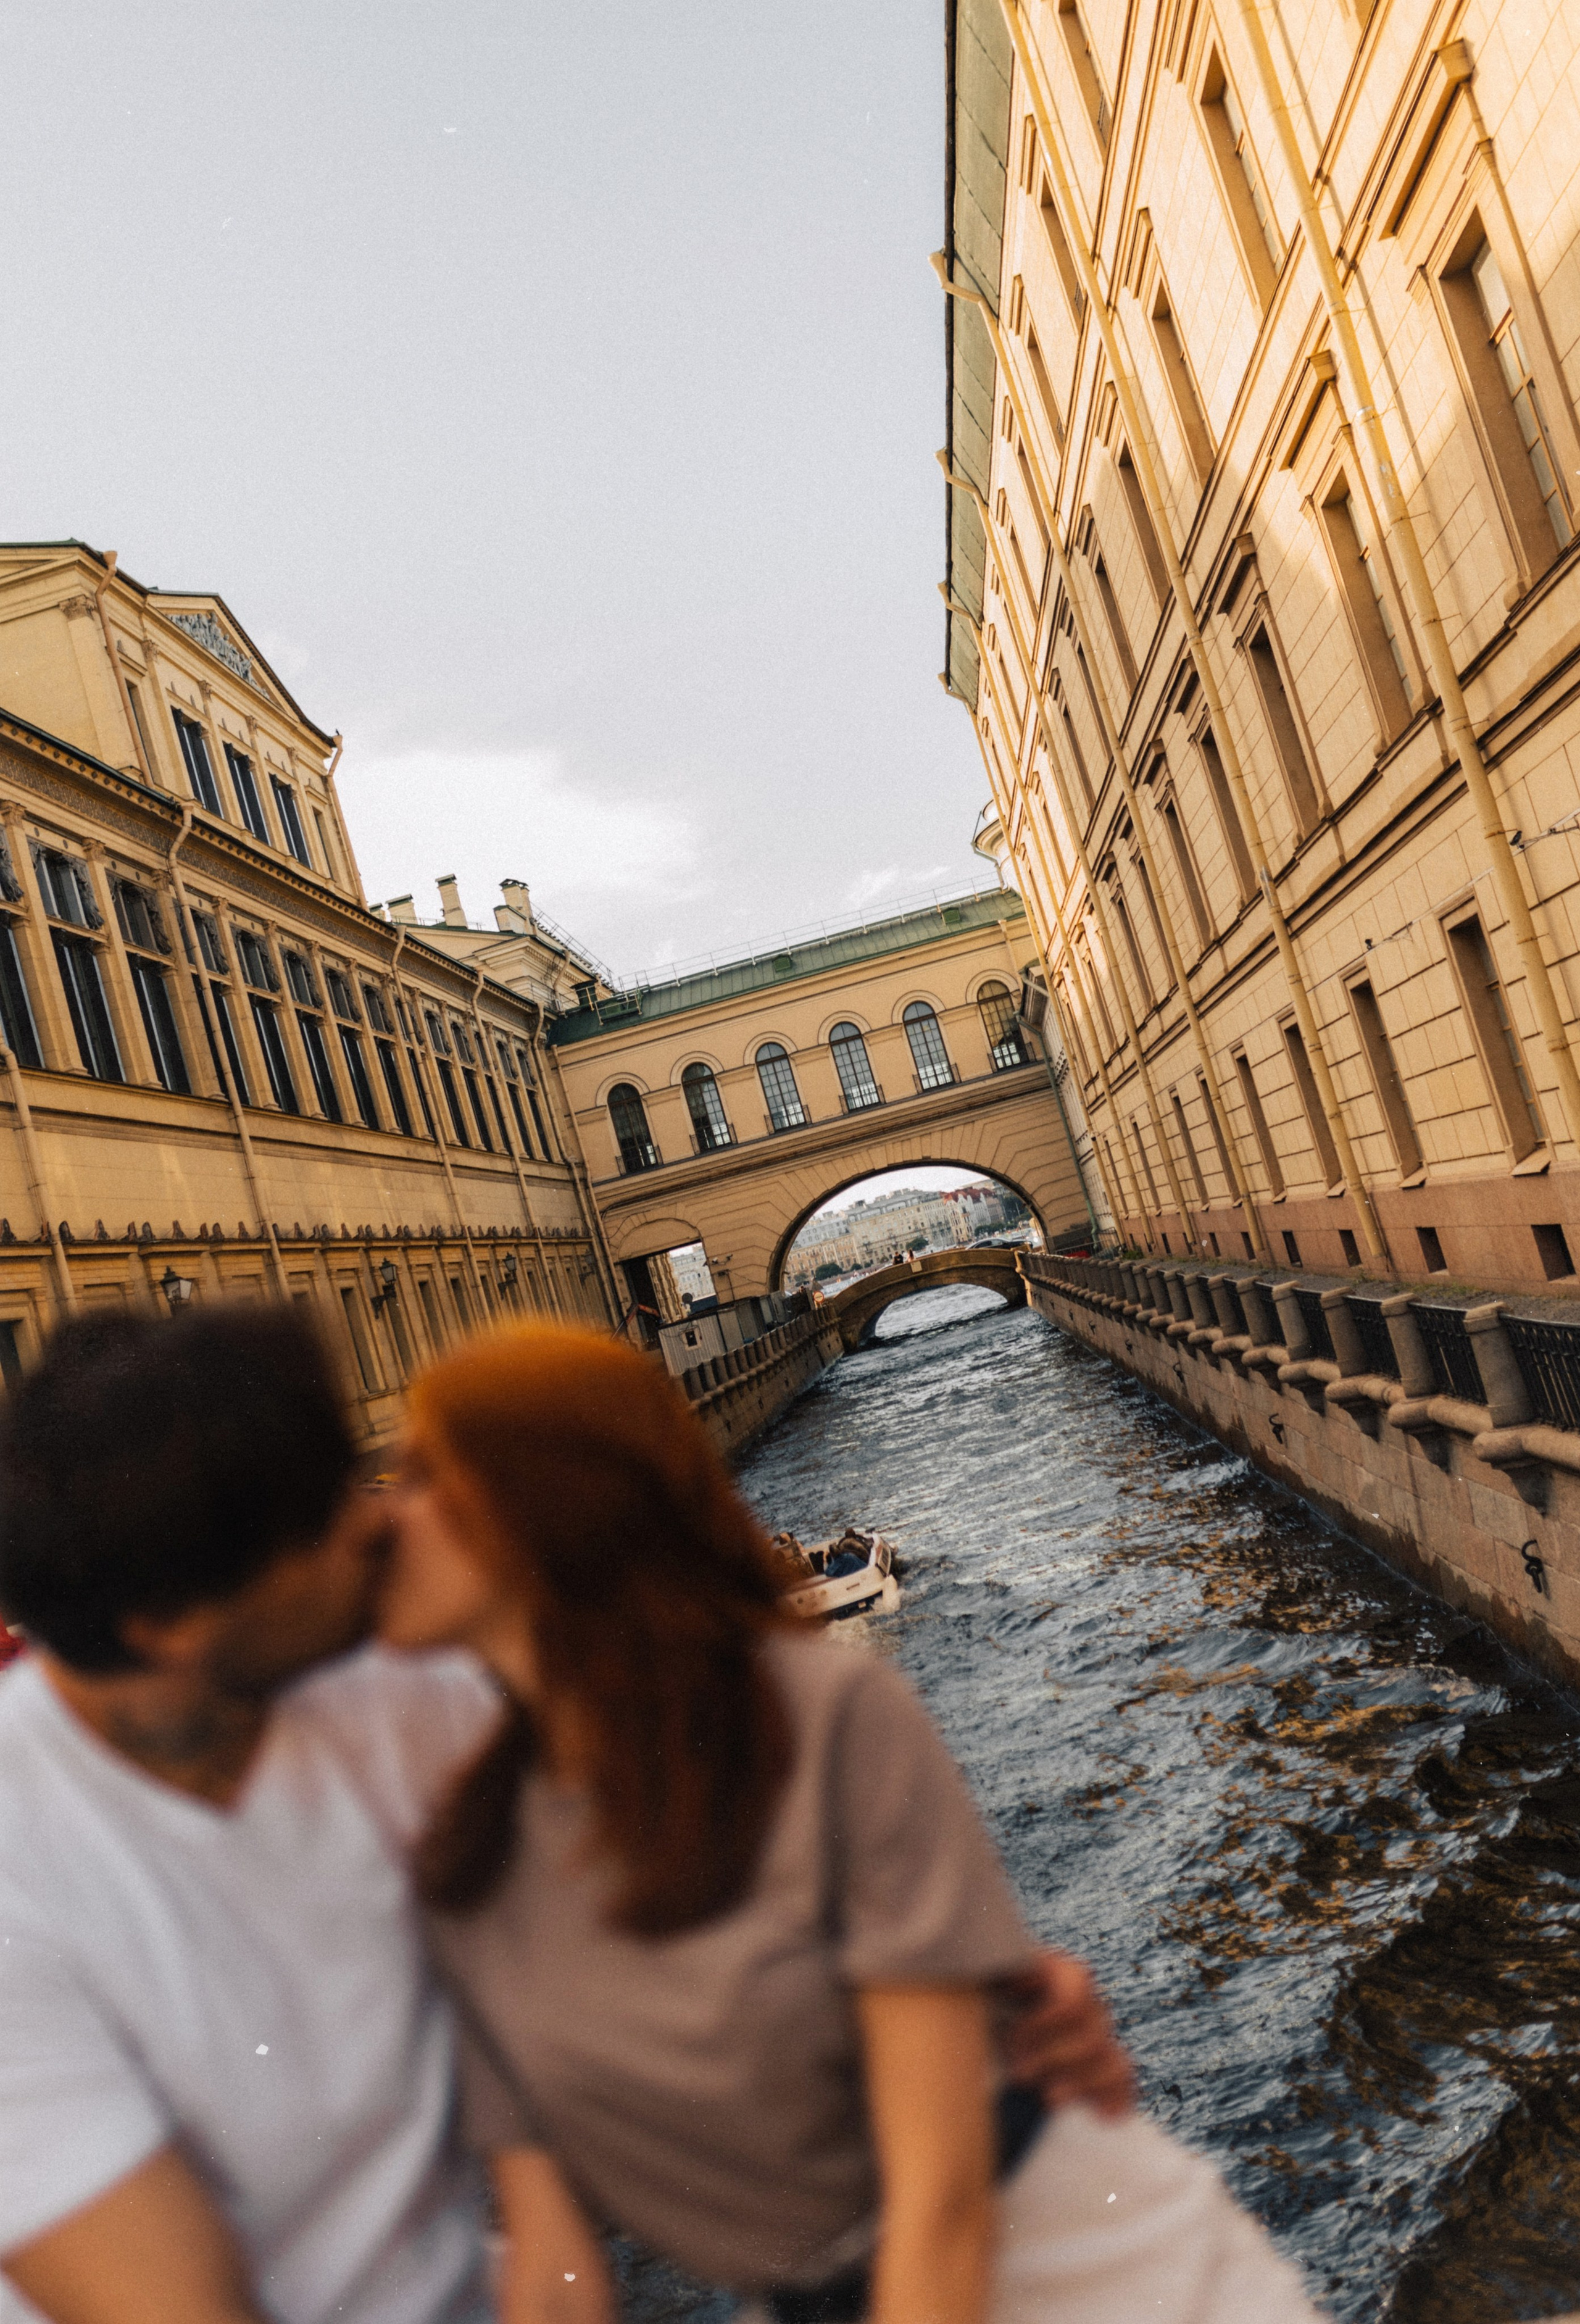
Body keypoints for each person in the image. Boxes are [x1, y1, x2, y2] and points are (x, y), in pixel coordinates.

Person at [0, 1304, 1131, 2324]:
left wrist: (982, 2000)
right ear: (169, 1626)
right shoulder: (24, 1866)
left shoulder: (413, 1692)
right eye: (320, 1517)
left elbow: (737, 1852)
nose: (374, 1523)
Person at [377, 1323, 1325, 2324]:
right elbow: (556, 2269)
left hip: (1078, 2273)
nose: (383, 1518)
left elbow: (942, 2196)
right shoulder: (469, 1853)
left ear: (550, 1505)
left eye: (424, 1476)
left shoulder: (816, 1715)